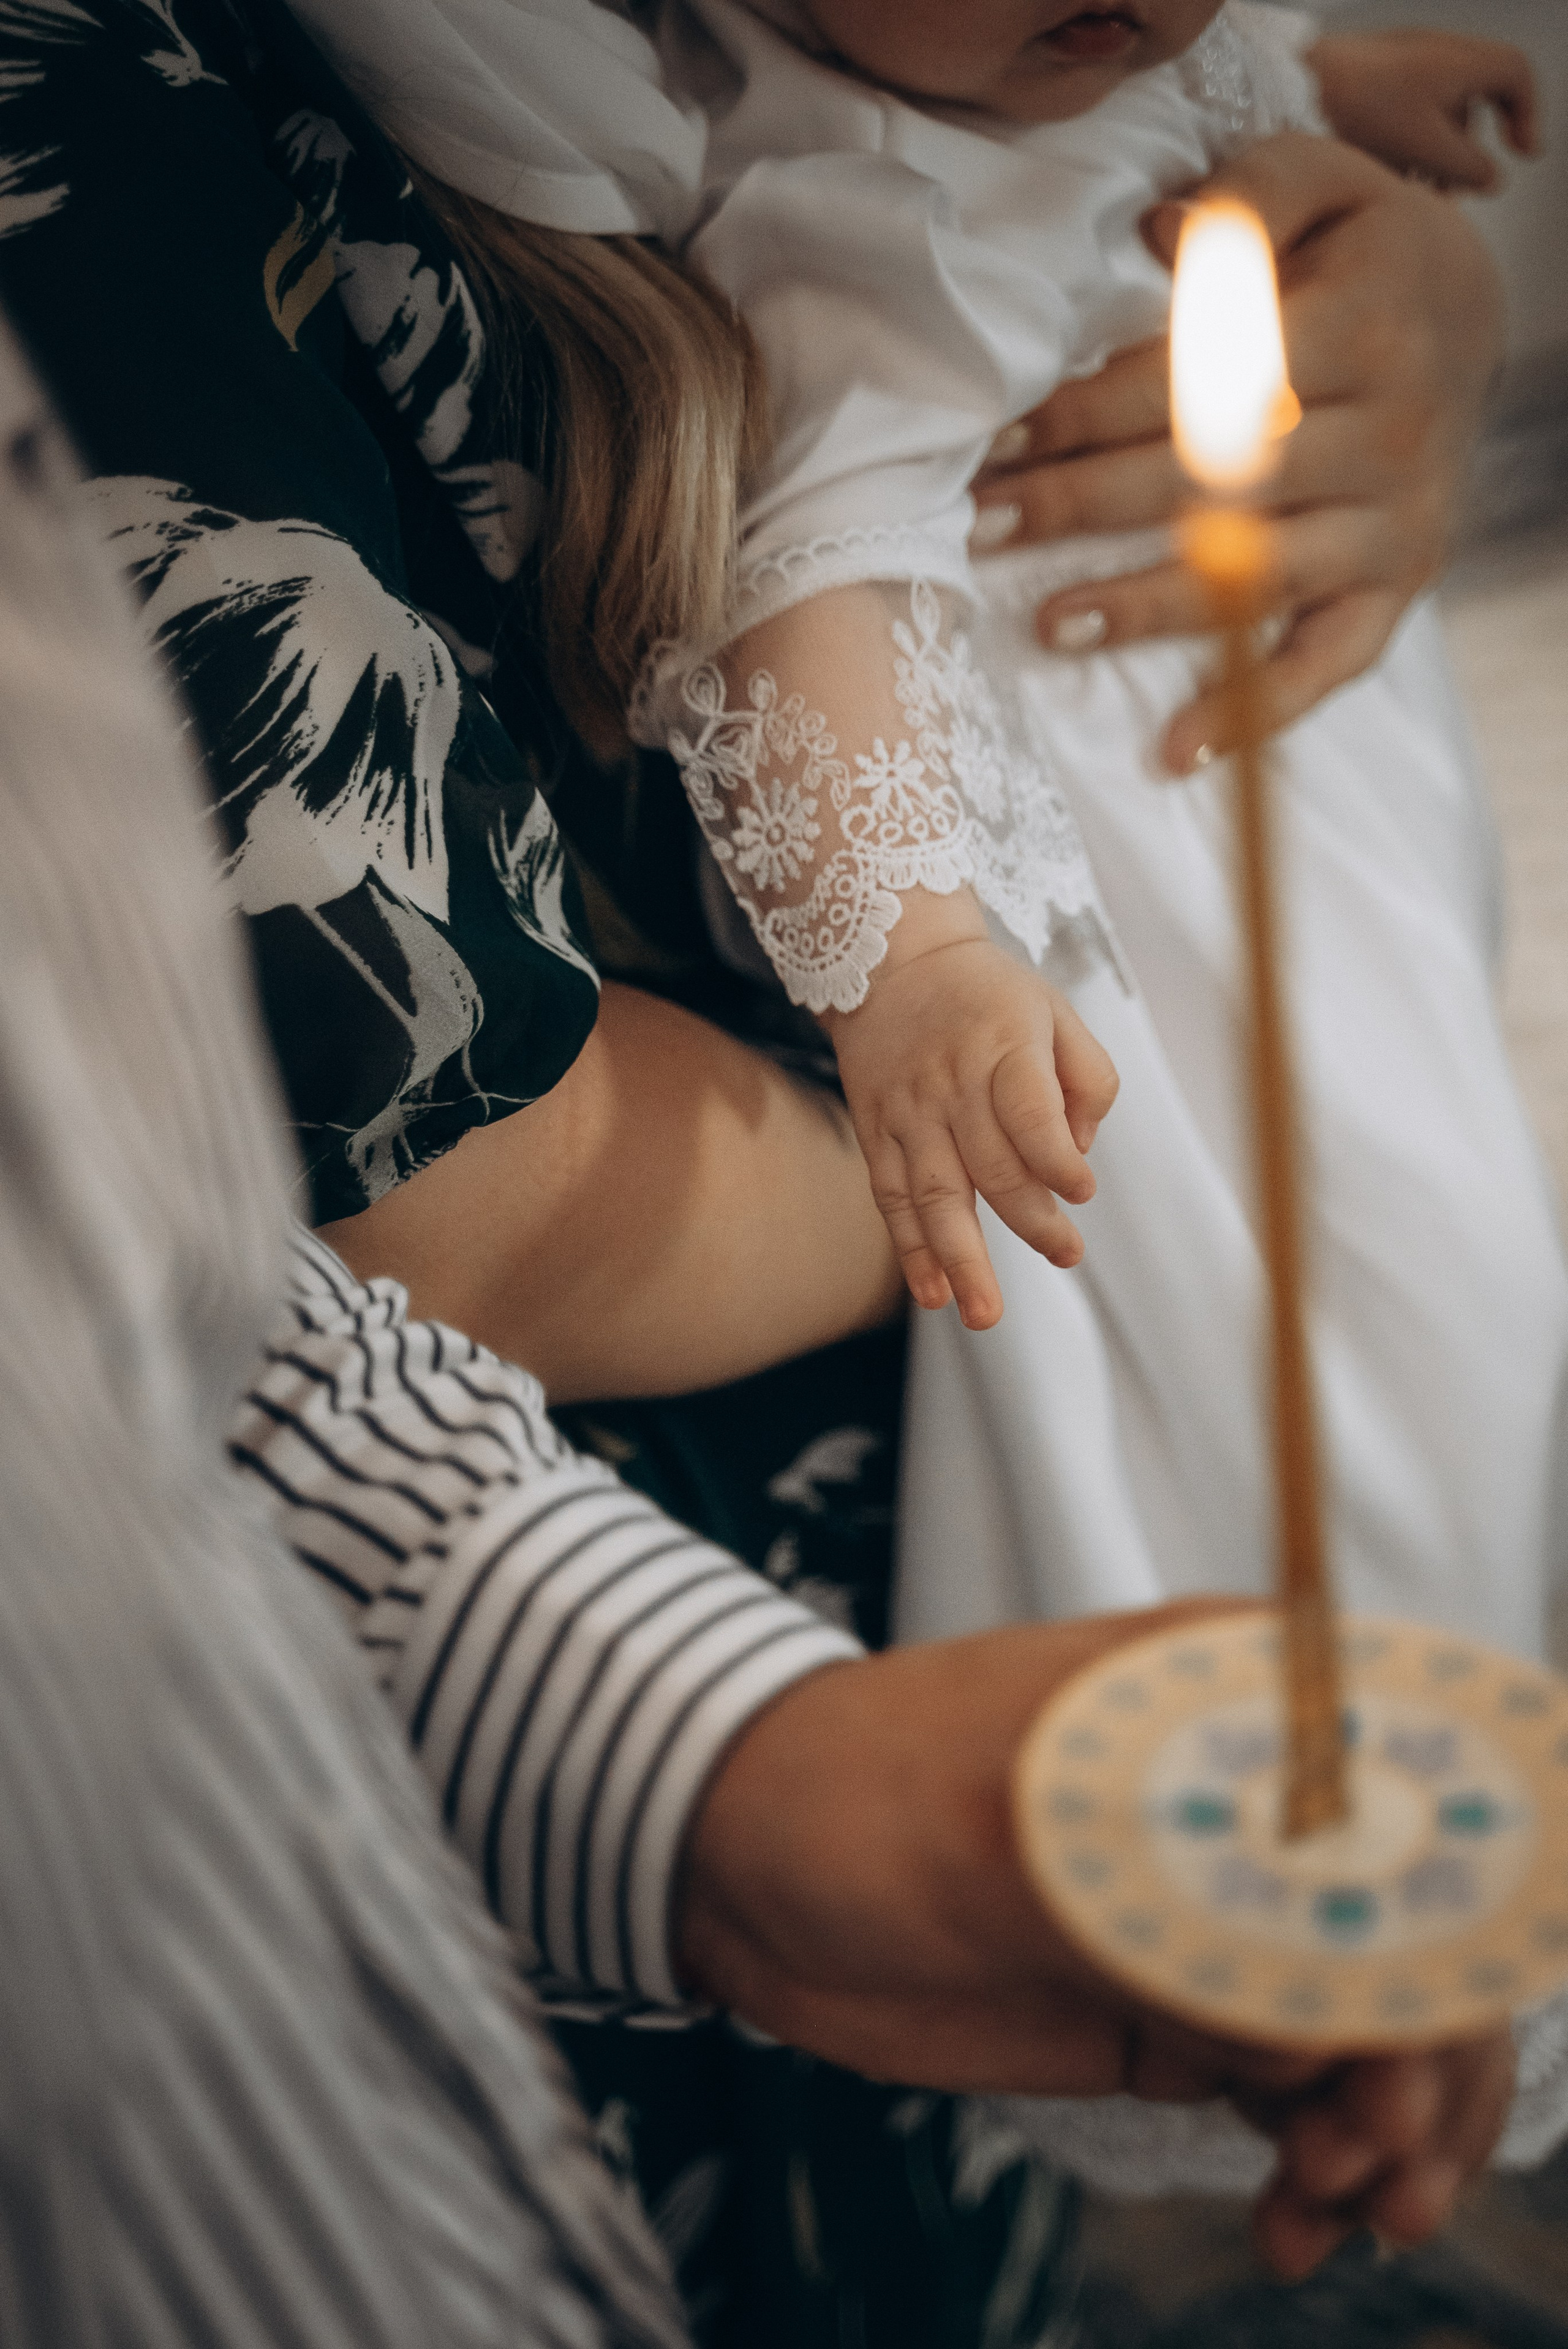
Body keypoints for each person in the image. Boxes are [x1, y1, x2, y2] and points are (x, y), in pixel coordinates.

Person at [0, 0, 1542, 2338]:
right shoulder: (821, 178)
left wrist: (1393, 233)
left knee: (1456, 1290)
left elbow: (1238, 114)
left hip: (1276, 856)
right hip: (649, 1695)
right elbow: (816, 559)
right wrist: (924, 971)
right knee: (1345, 1350)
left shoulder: (1035, 52)